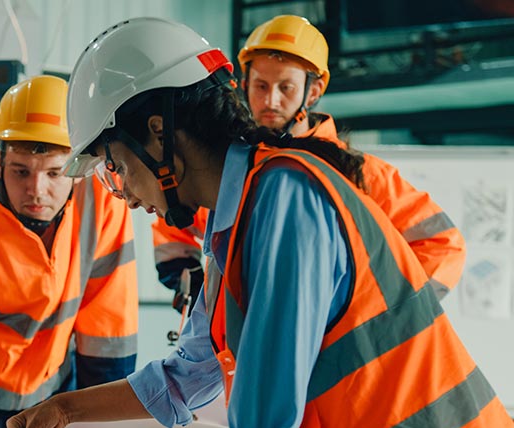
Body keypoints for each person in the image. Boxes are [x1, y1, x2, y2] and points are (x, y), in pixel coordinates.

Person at [6, 17, 514, 428]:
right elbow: (185, 376)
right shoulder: (232, 230)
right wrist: (66, 408)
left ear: (158, 134)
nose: (123, 194)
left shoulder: (285, 198)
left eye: (114, 166)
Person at [150, 14, 465, 312]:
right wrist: (192, 281)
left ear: (312, 91)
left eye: (285, 87)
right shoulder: (233, 169)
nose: (270, 101)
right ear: (244, 85)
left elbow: (443, 246)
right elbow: (177, 220)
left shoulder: (360, 174)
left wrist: (375, 311)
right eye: (261, 86)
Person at [0, 75, 138, 428]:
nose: (36, 191)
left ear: (78, 167)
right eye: (20, 171)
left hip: (62, 395)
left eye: (55, 173)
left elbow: (108, 332)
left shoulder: (103, 205)